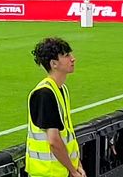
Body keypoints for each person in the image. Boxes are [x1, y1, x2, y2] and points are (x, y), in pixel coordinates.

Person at [27, 37, 84, 177]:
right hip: (47, 173)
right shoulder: (45, 94)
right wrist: (72, 170)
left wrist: (77, 165)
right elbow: (54, 140)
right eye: (66, 55)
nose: (73, 59)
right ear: (54, 64)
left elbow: (67, 135)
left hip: (59, 171)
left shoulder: (61, 89)